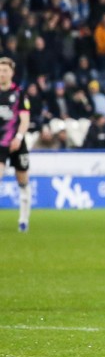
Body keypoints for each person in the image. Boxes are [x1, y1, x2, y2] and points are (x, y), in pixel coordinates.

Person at [0, 57, 32, 232]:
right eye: (0, 70)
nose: (2, 74)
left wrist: (19, 137)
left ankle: (23, 220)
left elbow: (25, 119)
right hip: (0, 143)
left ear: (11, 73)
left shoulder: (19, 93)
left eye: (5, 70)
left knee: (23, 180)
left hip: (17, 142)